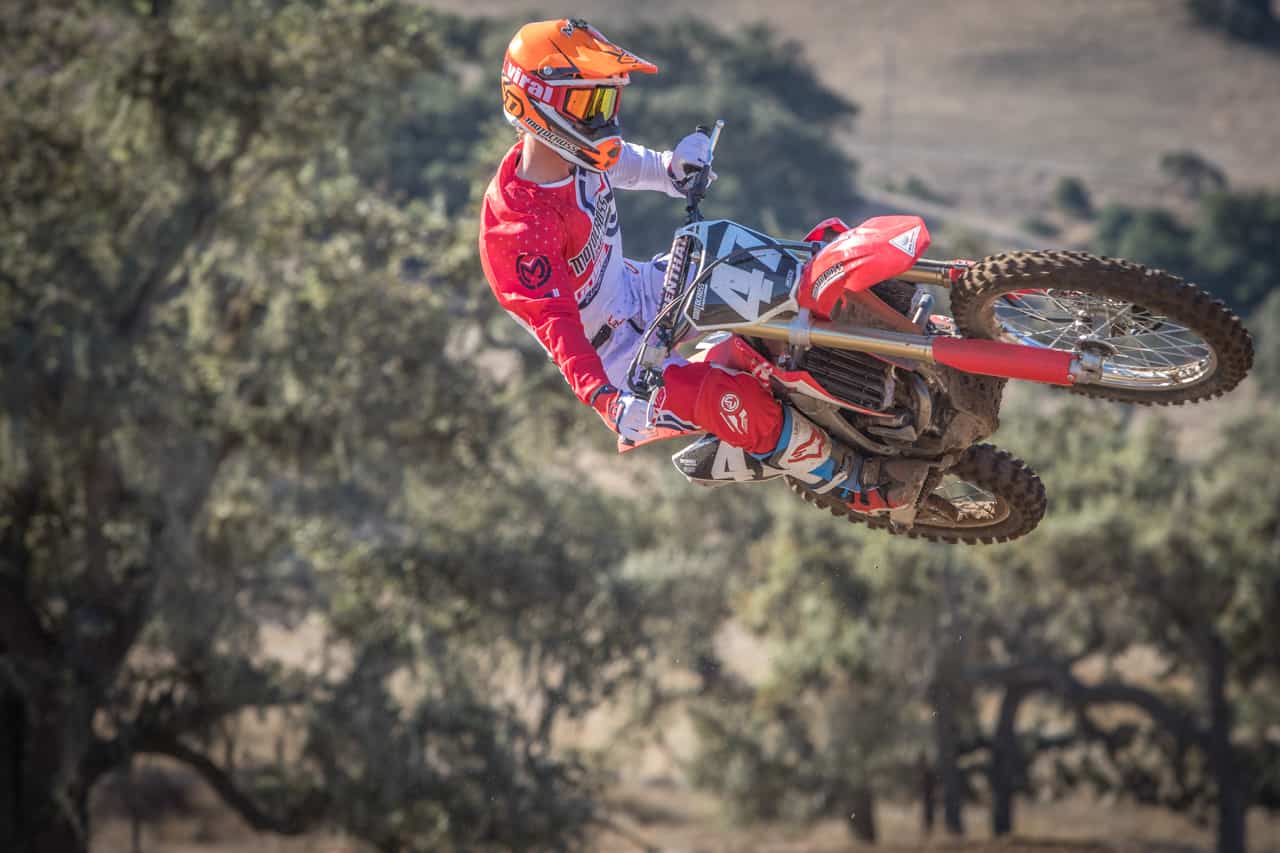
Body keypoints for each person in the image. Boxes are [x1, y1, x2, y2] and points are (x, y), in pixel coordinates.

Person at [478, 18, 927, 513]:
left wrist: (672, 170)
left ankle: (884, 319)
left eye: (607, 101)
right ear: (535, 105)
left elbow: (625, 162)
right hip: (615, 362)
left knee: (763, 266)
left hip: (641, 291)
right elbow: (558, 327)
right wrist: (607, 400)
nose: (603, 118)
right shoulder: (520, 229)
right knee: (730, 400)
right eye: (589, 105)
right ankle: (851, 482)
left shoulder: (576, 154)